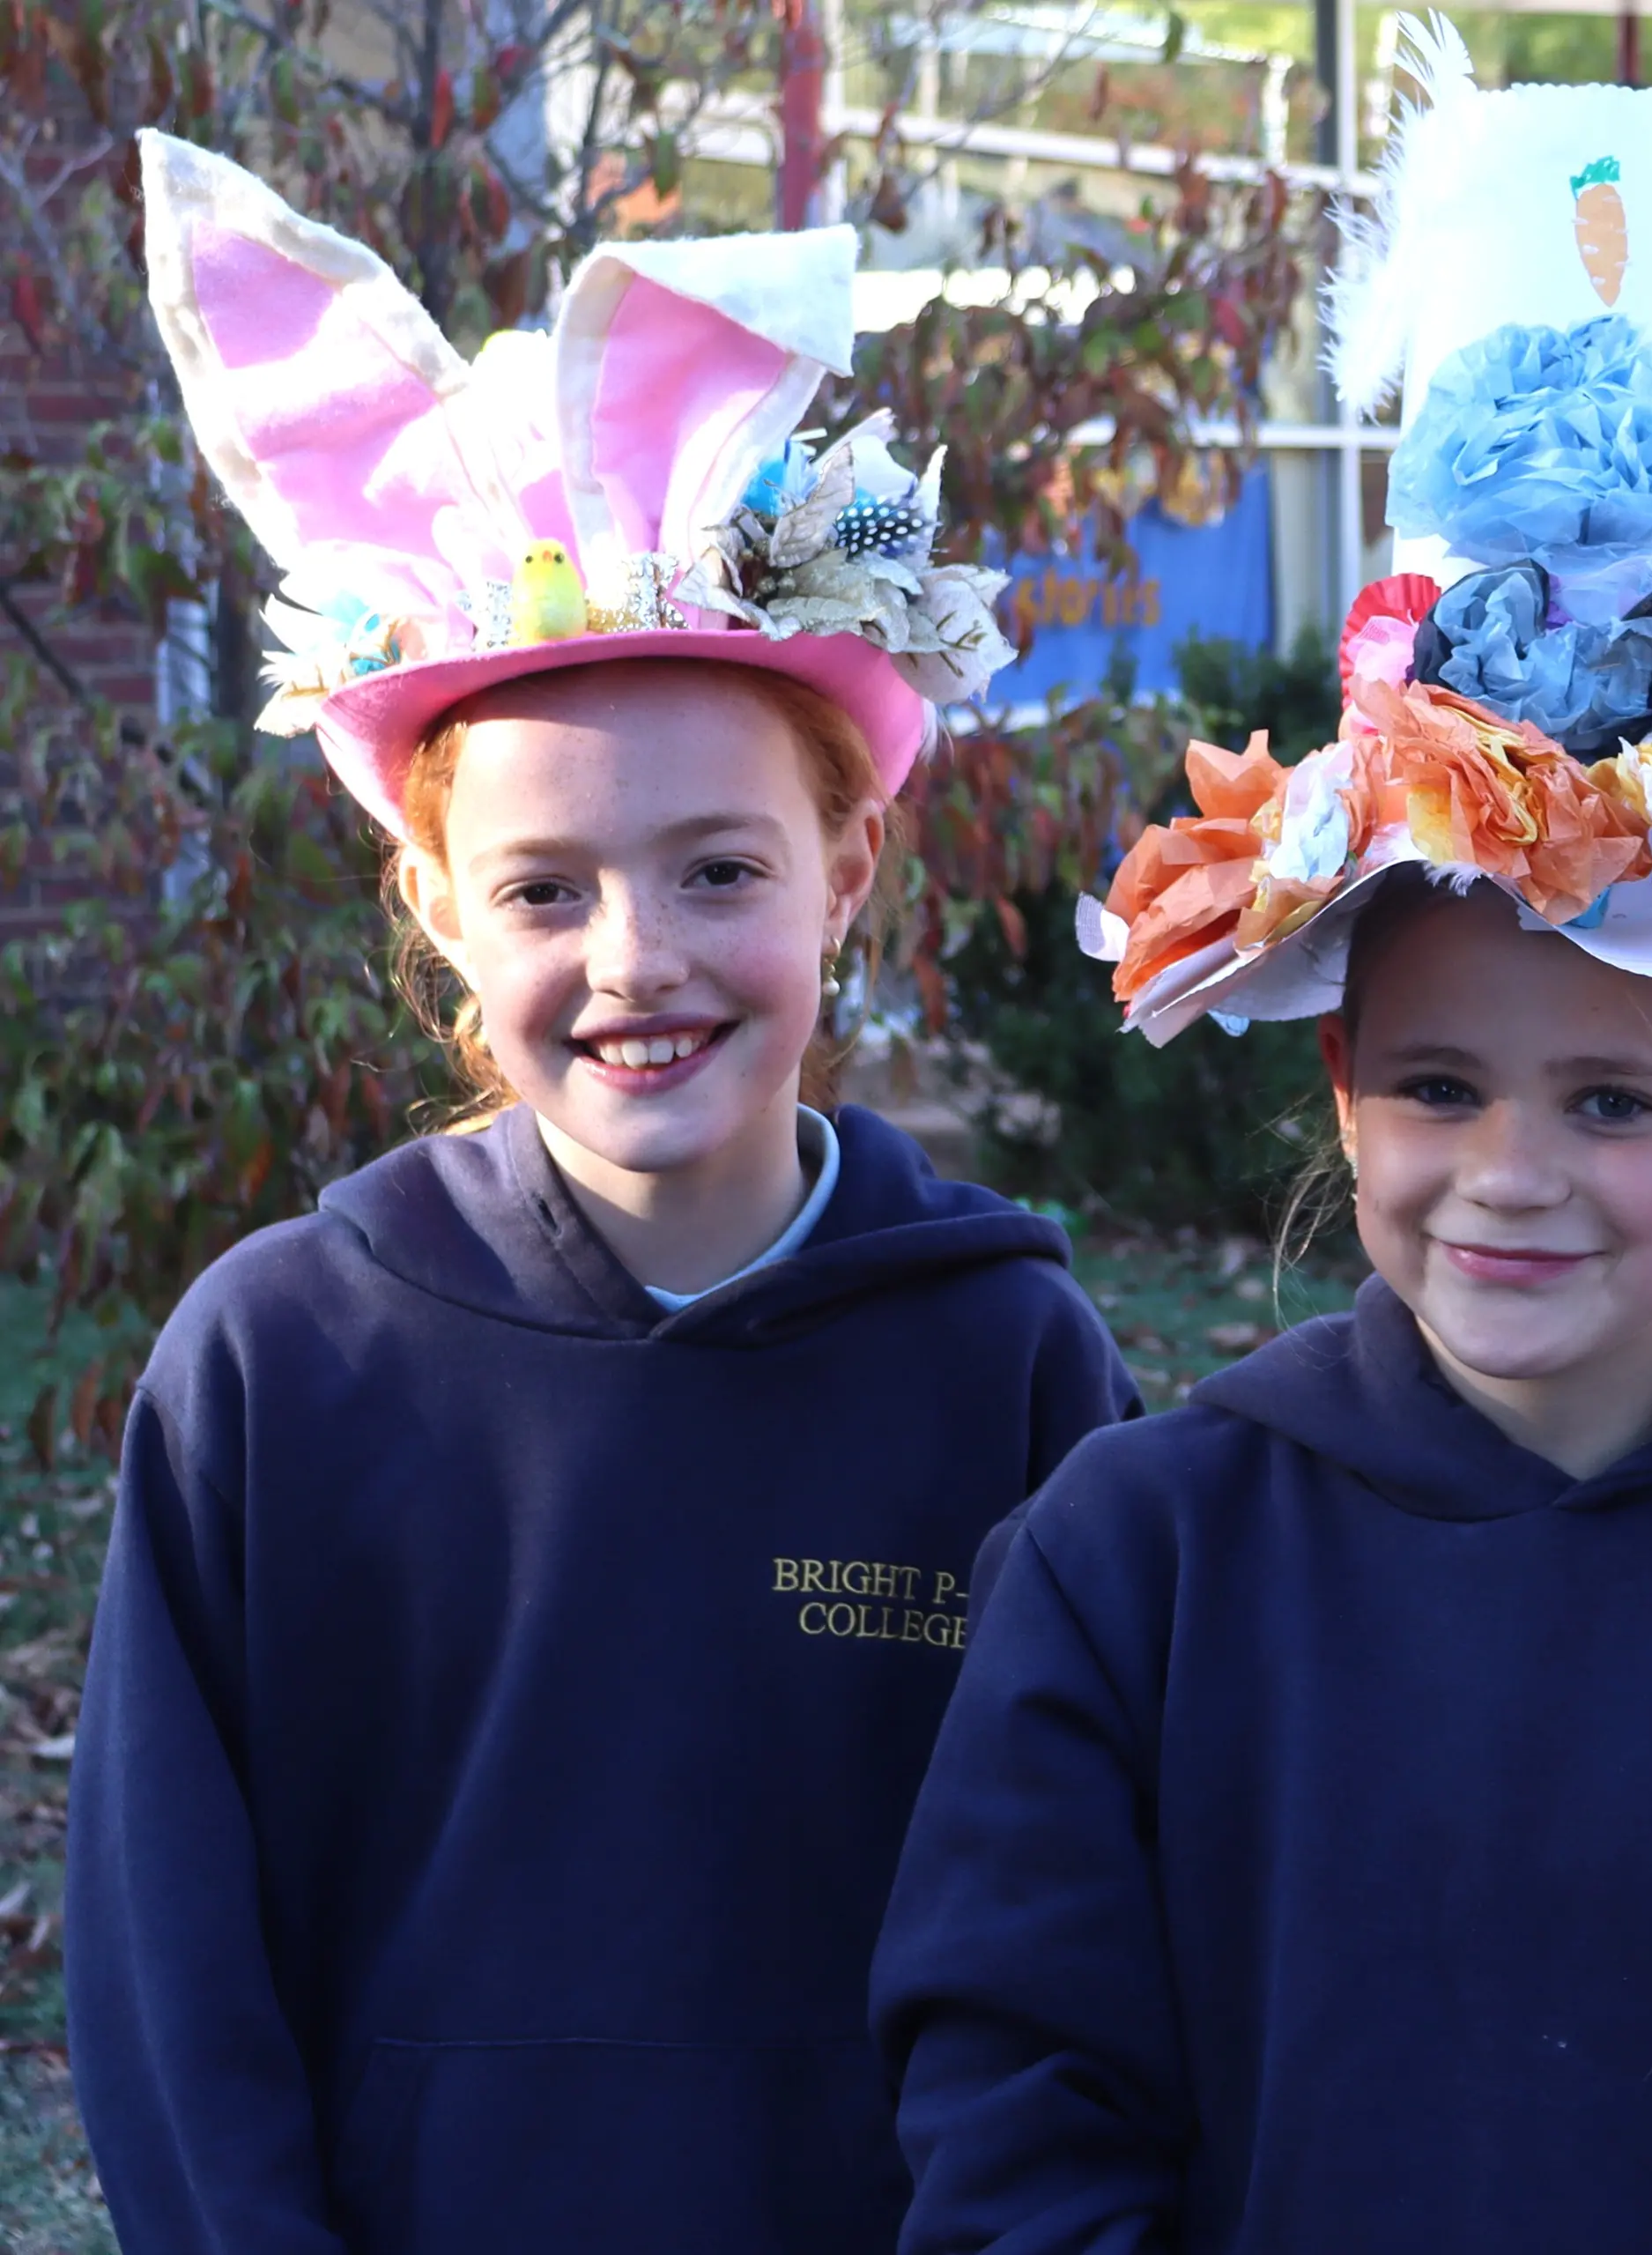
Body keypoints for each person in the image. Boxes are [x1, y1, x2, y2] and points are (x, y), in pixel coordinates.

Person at [870, 29, 1652, 2251]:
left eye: (1616, 1095)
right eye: (1440, 1087)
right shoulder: (1140, 1563)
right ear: (1340, 1085)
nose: (1512, 1170)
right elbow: (1019, 2086)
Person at [69, 134, 1133, 2253]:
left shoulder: (1004, 1358)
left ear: (848, 869)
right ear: (440, 911)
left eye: (720, 868)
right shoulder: (279, 1363)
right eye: (547, 887)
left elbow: (1088, 1925)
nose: (636, 956)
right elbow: (168, 1968)